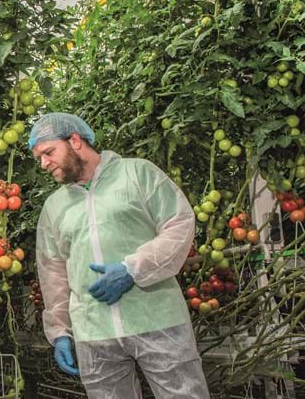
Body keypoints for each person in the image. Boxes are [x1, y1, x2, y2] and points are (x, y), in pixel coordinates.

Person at [30, 112, 210, 399]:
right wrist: (61, 331)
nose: (44, 163)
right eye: (39, 157)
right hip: (93, 331)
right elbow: (53, 273)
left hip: (156, 318)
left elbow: (179, 224)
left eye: (48, 152)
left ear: (75, 141)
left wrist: (133, 269)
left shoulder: (137, 174)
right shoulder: (54, 207)